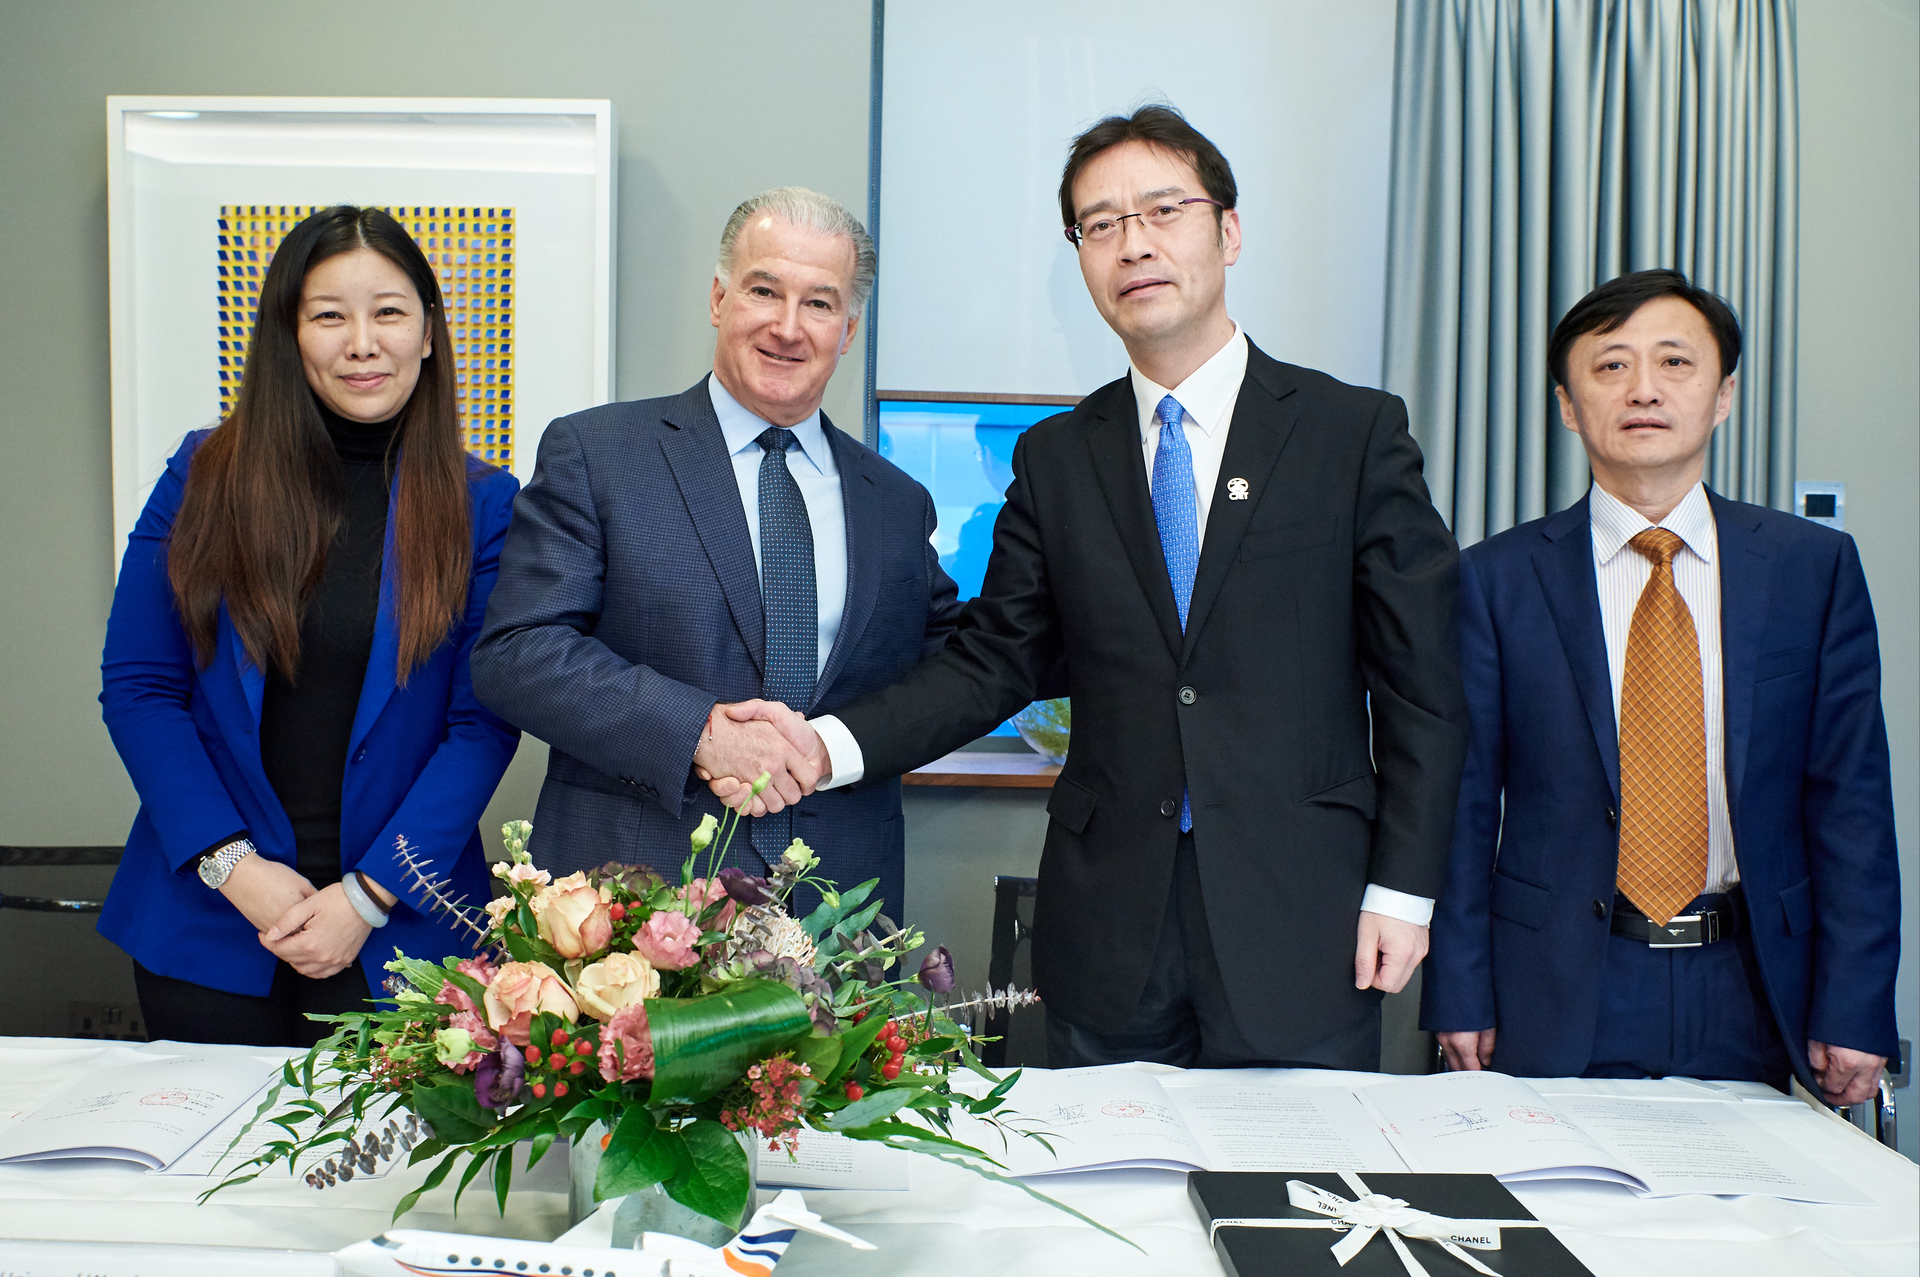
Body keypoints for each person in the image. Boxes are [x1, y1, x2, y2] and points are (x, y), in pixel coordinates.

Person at [717, 106, 1466, 1070]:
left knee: (1290, 1192)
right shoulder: (1058, 457)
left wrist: (1404, 891)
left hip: (1305, 917)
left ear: (1228, 231)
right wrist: (823, 747)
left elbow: (1424, 687)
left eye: (1162, 210)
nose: (1133, 243)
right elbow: (995, 661)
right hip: (1108, 926)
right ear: (1080, 259)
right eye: (1100, 224)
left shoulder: (1350, 433)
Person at [1421, 269, 1900, 1106]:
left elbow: (1852, 802)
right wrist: (1459, 988)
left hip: (1749, 978)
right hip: (1558, 978)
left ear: (1723, 395)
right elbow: (1463, 804)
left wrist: (1855, 1001)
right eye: (1609, 367)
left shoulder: (1810, 569)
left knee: (1750, 1226)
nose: (1643, 388)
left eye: (1675, 362)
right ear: (1569, 405)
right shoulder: (1495, 579)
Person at [469, 188, 959, 917]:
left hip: (837, 919)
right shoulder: (599, 454)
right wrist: (698, 733)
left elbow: (954, 668)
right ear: (719, 297)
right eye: (765, 290)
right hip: (633, 912)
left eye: (819, 303)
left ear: (848, 329)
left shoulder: (896, 500)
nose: (788, 327)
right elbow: (518, 652)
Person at [99, 205, 522, 1047]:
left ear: (430, 334)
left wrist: (366, 896)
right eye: (329, 315)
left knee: (398, 1182)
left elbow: (483, 724)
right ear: (289, 336)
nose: (362, 342)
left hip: (407, 943)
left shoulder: (485, 505)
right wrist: (235, 868)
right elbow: (140, 687)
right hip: (213, 927)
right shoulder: (202, 475)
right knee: (210, 1178)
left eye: (389, 312)